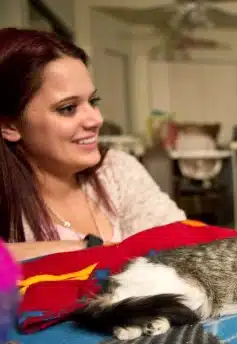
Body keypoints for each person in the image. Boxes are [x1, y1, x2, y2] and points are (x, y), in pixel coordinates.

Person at [0, 28, 186, 262]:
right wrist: (86, 249)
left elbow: (185, 244)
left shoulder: (117, 170)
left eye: (92, 101)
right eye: (68, 108)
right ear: (10, 126)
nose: (96, 119)